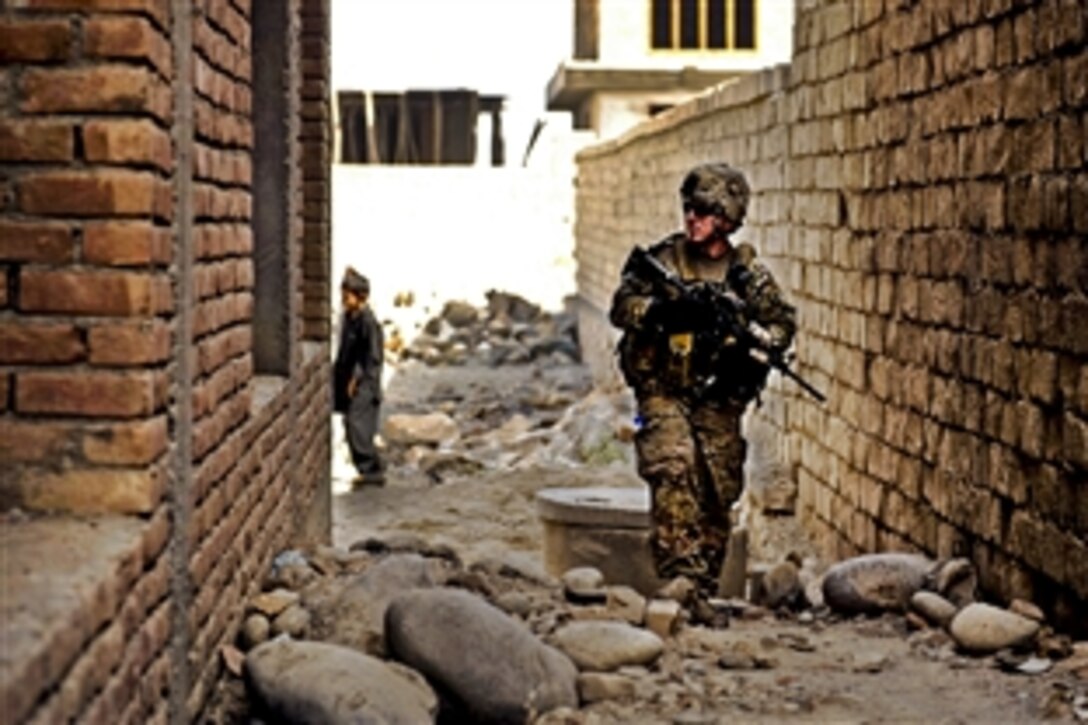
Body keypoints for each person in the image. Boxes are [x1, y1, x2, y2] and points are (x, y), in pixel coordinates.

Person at [608, 162, 797, 621]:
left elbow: (780, 325)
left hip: (719, 398)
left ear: (728, 219)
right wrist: (663, 312)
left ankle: (702, 589)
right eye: (689, 208)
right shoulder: (663, 263)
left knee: (718, 490)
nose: (692, 218)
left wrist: (750, 341)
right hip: (664, 390)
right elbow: (622, 308)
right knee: (673, 465)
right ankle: (679, 577)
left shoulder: (746, 275)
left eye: (705, 212)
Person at [334, 267, 386, 485]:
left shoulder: (368, 322)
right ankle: (366, 469)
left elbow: (372, 357)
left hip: (365, 382)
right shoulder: (350, 317)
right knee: (351, 422)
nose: (344, 300)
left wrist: (357, 378)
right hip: (348, 378)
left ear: (360, 298)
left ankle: (372, 470)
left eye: (347, 296)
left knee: (358, 424)